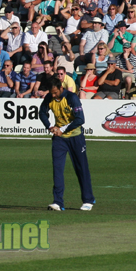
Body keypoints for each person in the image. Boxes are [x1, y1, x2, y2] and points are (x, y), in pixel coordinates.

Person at [39, 77, 95, 212]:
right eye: (51, 93)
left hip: (76, 137)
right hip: (60, 139)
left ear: (60, 88)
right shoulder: (49, 98)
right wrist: (50, 127)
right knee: (57, 169)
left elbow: (80, 119)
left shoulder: (71, 98)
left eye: (55, 93)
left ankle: (88, 200)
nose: (53, 95)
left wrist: (62, 129)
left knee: (81, 168)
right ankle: (58, 202)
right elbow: (42, 113)